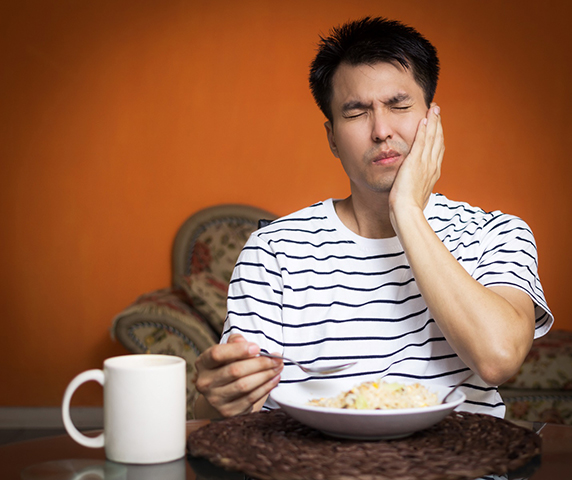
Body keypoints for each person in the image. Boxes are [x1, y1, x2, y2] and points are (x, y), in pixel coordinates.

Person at [193, 16, 553, 420]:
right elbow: (230, 407)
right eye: (356, 112)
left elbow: (498, 358)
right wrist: (214, 395)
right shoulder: (273, 252)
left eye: (398, 105)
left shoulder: (497, 234)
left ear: (432, 119)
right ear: (332, 138)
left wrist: (407, 210)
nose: (381, 130)